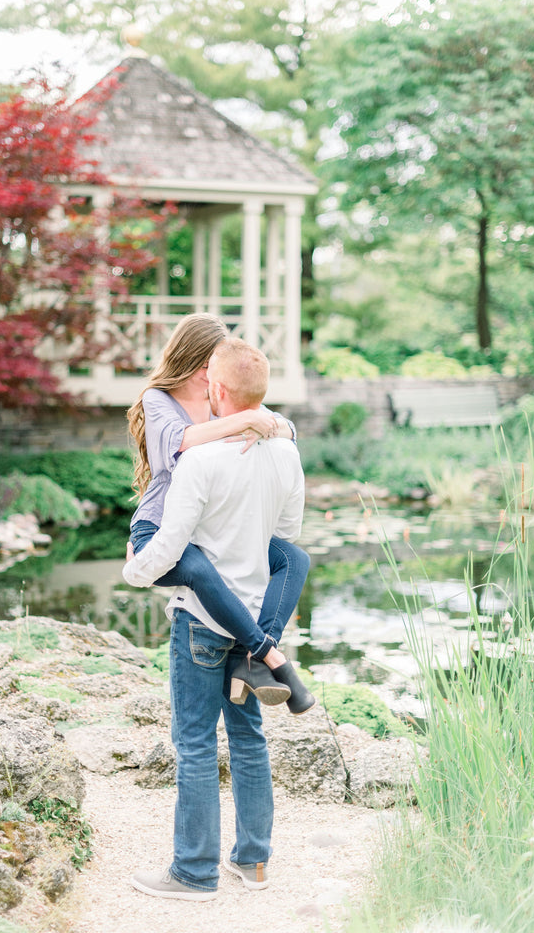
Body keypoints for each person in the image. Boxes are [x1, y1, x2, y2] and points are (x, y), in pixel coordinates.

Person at [123, 338, 309, 899]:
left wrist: (135, 572)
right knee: (248, 739)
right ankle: (252, 864)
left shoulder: (200, 460)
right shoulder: (285, 451)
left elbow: (174, 545)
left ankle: (194, 872)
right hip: (254, 612)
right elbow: (289, 535)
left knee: (197, 744)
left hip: (203, 620)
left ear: (217, 390)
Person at [126, 312, 312, 710]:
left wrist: (267, 423)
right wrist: (244, 420)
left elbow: (287, 427)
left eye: (215, 367)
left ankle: (253, 655)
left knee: (293, 558)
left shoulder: (219, 395)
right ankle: (269, 654)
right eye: (206, 364)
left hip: (210, 524)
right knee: (197, 569)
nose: (211, 375)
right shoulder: (158, 399)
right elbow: (181, 442)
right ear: (189, 359)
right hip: (161, 524)